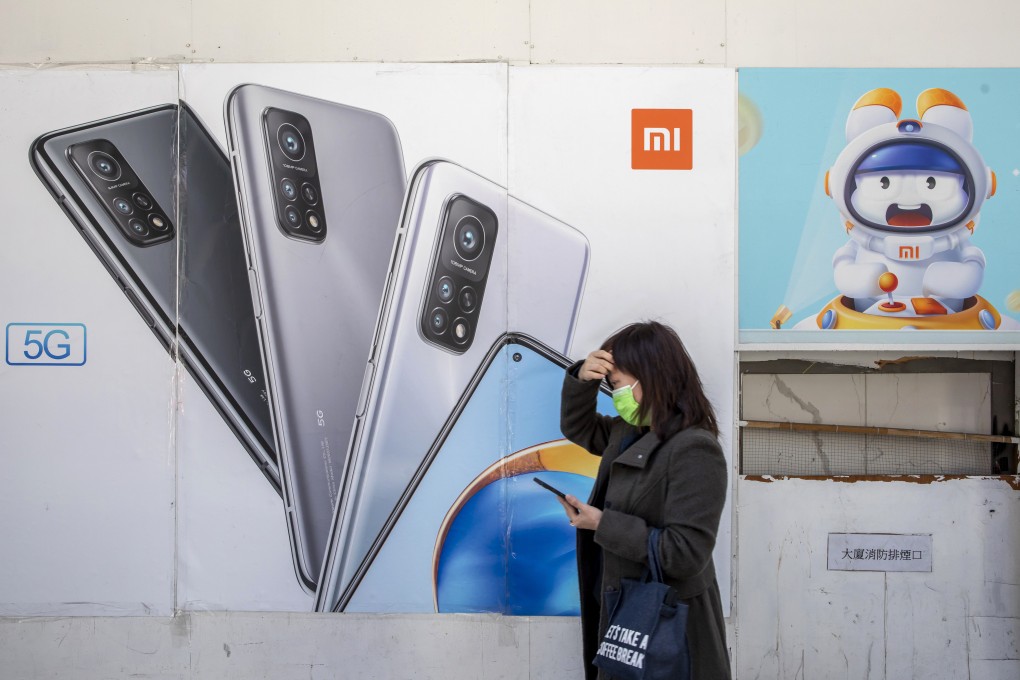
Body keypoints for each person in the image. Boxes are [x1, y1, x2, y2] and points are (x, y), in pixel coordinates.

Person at [558, 321, 731, 679]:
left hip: (671, 627)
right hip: (628, 614)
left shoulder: (696, 449)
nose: (616, 395)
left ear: (651, 378)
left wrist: (602, 523)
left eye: (618, 385)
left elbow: (685, 553)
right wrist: (583, 381)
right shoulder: (629, 432)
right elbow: (579, 428)